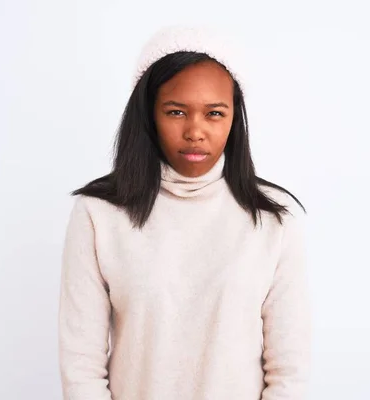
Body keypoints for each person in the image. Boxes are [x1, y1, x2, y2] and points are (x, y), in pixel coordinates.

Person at [58, 25, 311, 400]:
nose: (195, 131)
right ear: (148, 115)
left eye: (214, 113)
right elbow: (81, 366)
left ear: (233, 119)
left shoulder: (274, 218)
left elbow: (290, 371)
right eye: (176, 111)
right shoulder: (99, 213)